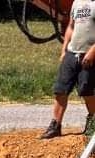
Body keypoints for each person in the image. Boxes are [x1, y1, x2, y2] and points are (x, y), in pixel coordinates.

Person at [41, 0, 95, 139]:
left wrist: (92, 52)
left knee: (87, 91)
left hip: (89, 54)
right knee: (60, 89)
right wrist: (64, 49)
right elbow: (71, 26)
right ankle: (55, 126)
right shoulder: (76, 2)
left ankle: (93, 124)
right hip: (72, 53)